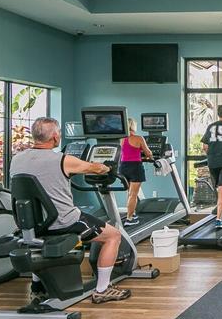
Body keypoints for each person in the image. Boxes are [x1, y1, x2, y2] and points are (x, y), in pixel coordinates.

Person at [10, 117, 132, 303]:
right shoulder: (63, 160)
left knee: (37, 242)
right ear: (55, 136)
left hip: (32, 223)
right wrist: (107, 167)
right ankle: (103, 289)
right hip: (64, 221)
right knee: (113, 236)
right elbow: (95, 168)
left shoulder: (16, 159)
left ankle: (37, 288)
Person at [119, 117, 153, 227]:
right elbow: (148, 153)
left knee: (129, 193)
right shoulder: (138, 138)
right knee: (133, 194)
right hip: (135, 167)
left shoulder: (121, 139)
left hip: (123, 167)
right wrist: (149, 154)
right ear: (133, 126)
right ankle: (129, 218)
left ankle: (132, 214)